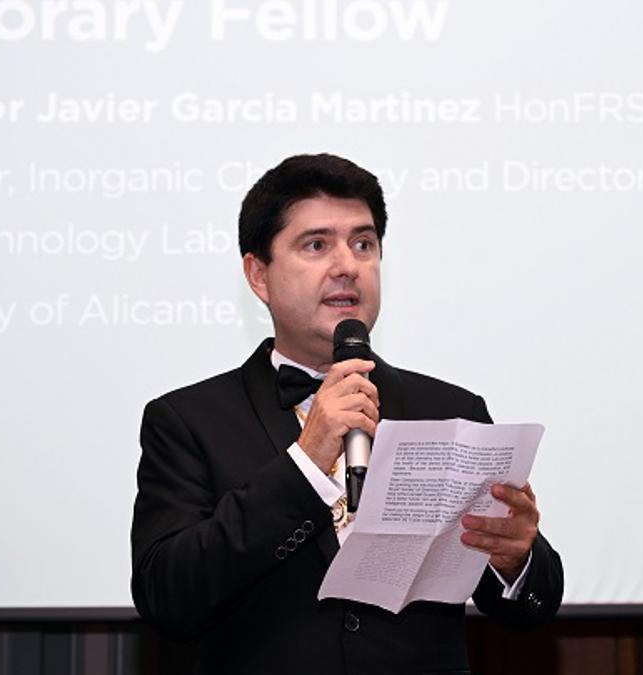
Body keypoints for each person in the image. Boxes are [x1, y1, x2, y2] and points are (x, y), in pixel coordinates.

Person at [131, 153, 563, 674]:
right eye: (316, 245)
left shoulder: (451, 411)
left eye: (363, 244)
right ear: (258, 275)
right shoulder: (187, 421)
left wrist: (516, 560)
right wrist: (305, 464)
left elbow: (528, 609)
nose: (347, 266)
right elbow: (167, 598)